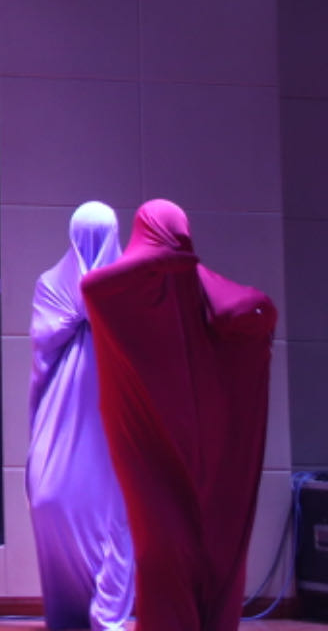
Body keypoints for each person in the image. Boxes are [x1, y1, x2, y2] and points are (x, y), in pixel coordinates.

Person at [81, 200, 276, 631]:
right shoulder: (125, 293)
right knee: (168, 545)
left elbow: (257, 308)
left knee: (201, 542)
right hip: (149, 445)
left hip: (188, 446)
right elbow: (93, 287)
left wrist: (177, 263)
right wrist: (170, 259)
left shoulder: (196, 285)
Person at [28, 202, 134, 631]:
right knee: (49, 499)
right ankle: (70, 613)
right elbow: (43, 343)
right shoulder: (52, 284)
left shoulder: (130, 287)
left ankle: (109, 615)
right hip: (66, 409)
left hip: (114, 409)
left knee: (119, 512)